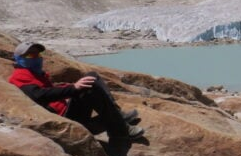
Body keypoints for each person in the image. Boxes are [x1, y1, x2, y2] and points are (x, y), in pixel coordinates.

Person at [8, 42, 144, 142]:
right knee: (89, 85)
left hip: (66, 111)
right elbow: (39, 95)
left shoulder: (35, 74)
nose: (37, 58)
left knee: (92, 76)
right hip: (62, 118)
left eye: (38, 54)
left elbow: (47, 90)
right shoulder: (19, 76)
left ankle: (117, 117)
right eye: (31, 55)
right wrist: (73, 89)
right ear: (19, 58)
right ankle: (120, 129)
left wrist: (69, 87)